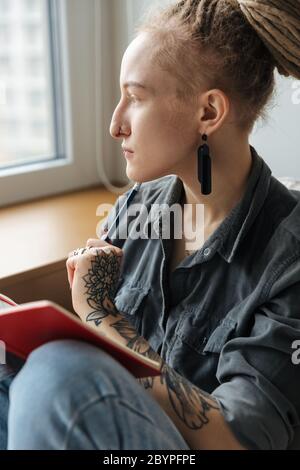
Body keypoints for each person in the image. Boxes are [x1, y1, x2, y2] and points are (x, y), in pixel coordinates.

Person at [1, 0, 300, 450]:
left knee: (60, 375)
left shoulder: (289, 257)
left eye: (135, 97)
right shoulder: (137, 209)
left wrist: (103, 319)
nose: (115, 124)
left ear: (208, 113)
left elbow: (241, 439)